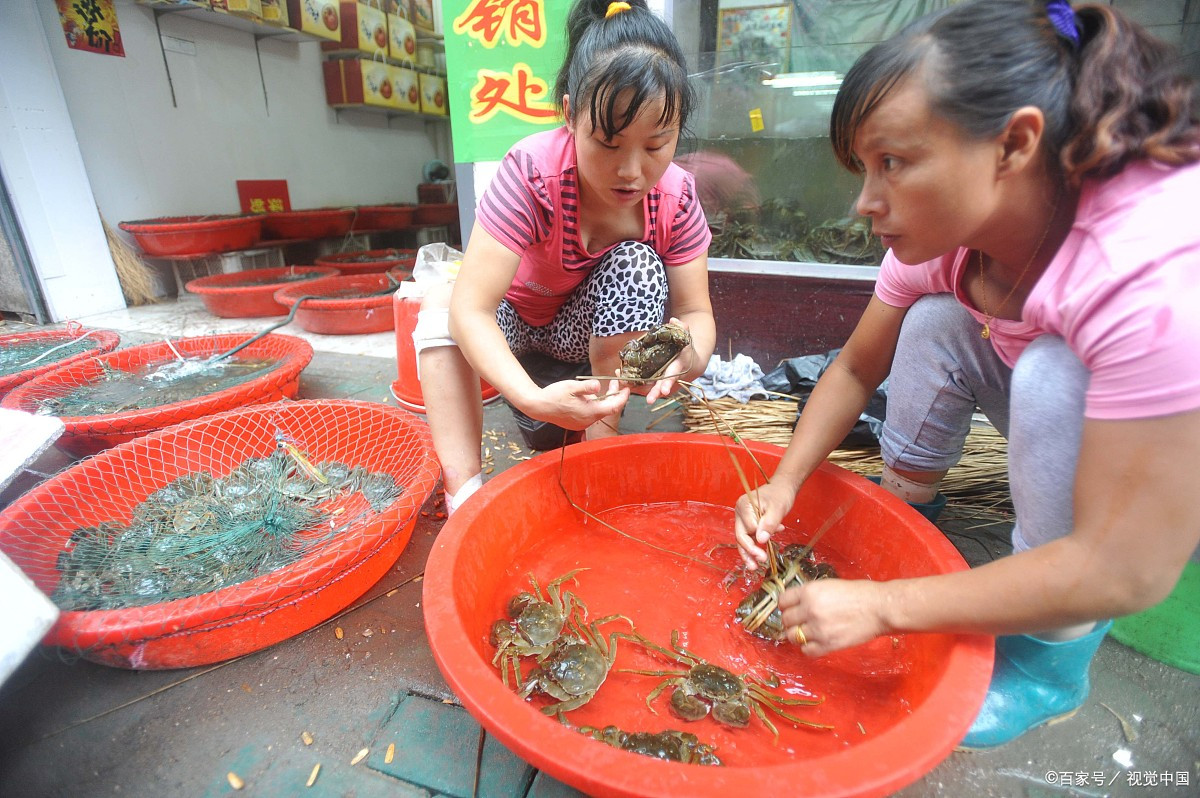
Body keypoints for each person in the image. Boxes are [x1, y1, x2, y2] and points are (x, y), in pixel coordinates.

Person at [733, 0, 1200, 750]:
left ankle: (1052, 663)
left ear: (1013, 144)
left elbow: (1127, 572)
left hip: (1172, 462)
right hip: (1113, 417)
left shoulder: (1147, 275)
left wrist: (887, 606)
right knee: (936, 319)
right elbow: (856, 366)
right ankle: (911, 511)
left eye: (893, 162)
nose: (865, 201)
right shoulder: (946, 240)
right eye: (863, 168)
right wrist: (782, 483)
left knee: (1054, 373)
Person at [416, 0, 715, 515]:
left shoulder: (678, 196)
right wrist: (531, 398)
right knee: (443, 302)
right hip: (512, 322)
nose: (631, 171)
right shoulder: (532, 172)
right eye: (608, 142)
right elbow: (473, 310)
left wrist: (688, 356)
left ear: (677, 127)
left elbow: (696, 315)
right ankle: (463, 493)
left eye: (656, 145)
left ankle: (597, 454)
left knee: (638, 268)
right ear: (571, 113)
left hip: (582, 337)